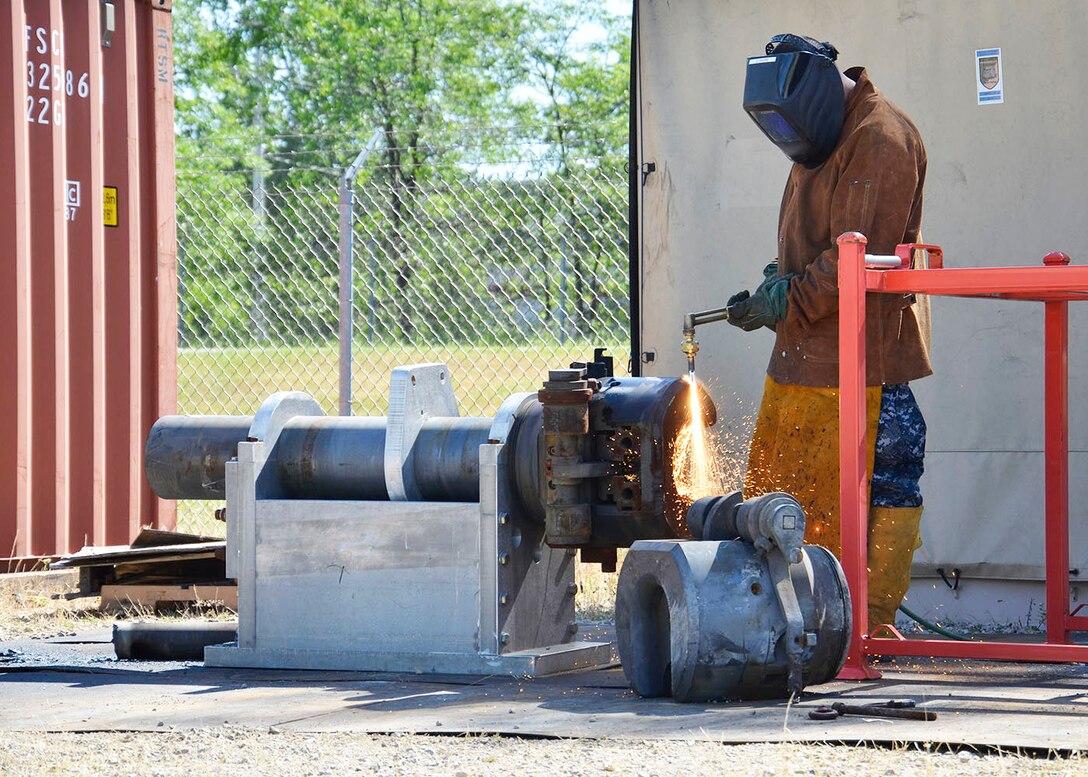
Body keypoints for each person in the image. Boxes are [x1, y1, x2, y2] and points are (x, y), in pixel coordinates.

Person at [727, 34, 932, 628]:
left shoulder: (879, 139)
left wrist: (785, 298)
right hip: (805, 361)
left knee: (883, 481)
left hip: (865, 370)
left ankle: (864, 624)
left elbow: (854, 260)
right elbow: (813, 240)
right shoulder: (820, 134)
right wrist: (777, 279)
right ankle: (790, 622)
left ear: (817, 93)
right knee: (779, 501)